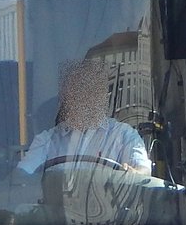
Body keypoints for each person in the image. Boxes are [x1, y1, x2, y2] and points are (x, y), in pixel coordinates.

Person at [17, 59, 151, 176]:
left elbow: (143, 171)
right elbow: (22, 175)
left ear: (103, 96)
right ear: (66, 99)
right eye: (77, 93)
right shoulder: (47, 140)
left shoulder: (124, 135)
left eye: (91, 91)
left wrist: (133, 174)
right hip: (58, 205)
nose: (85, 99)